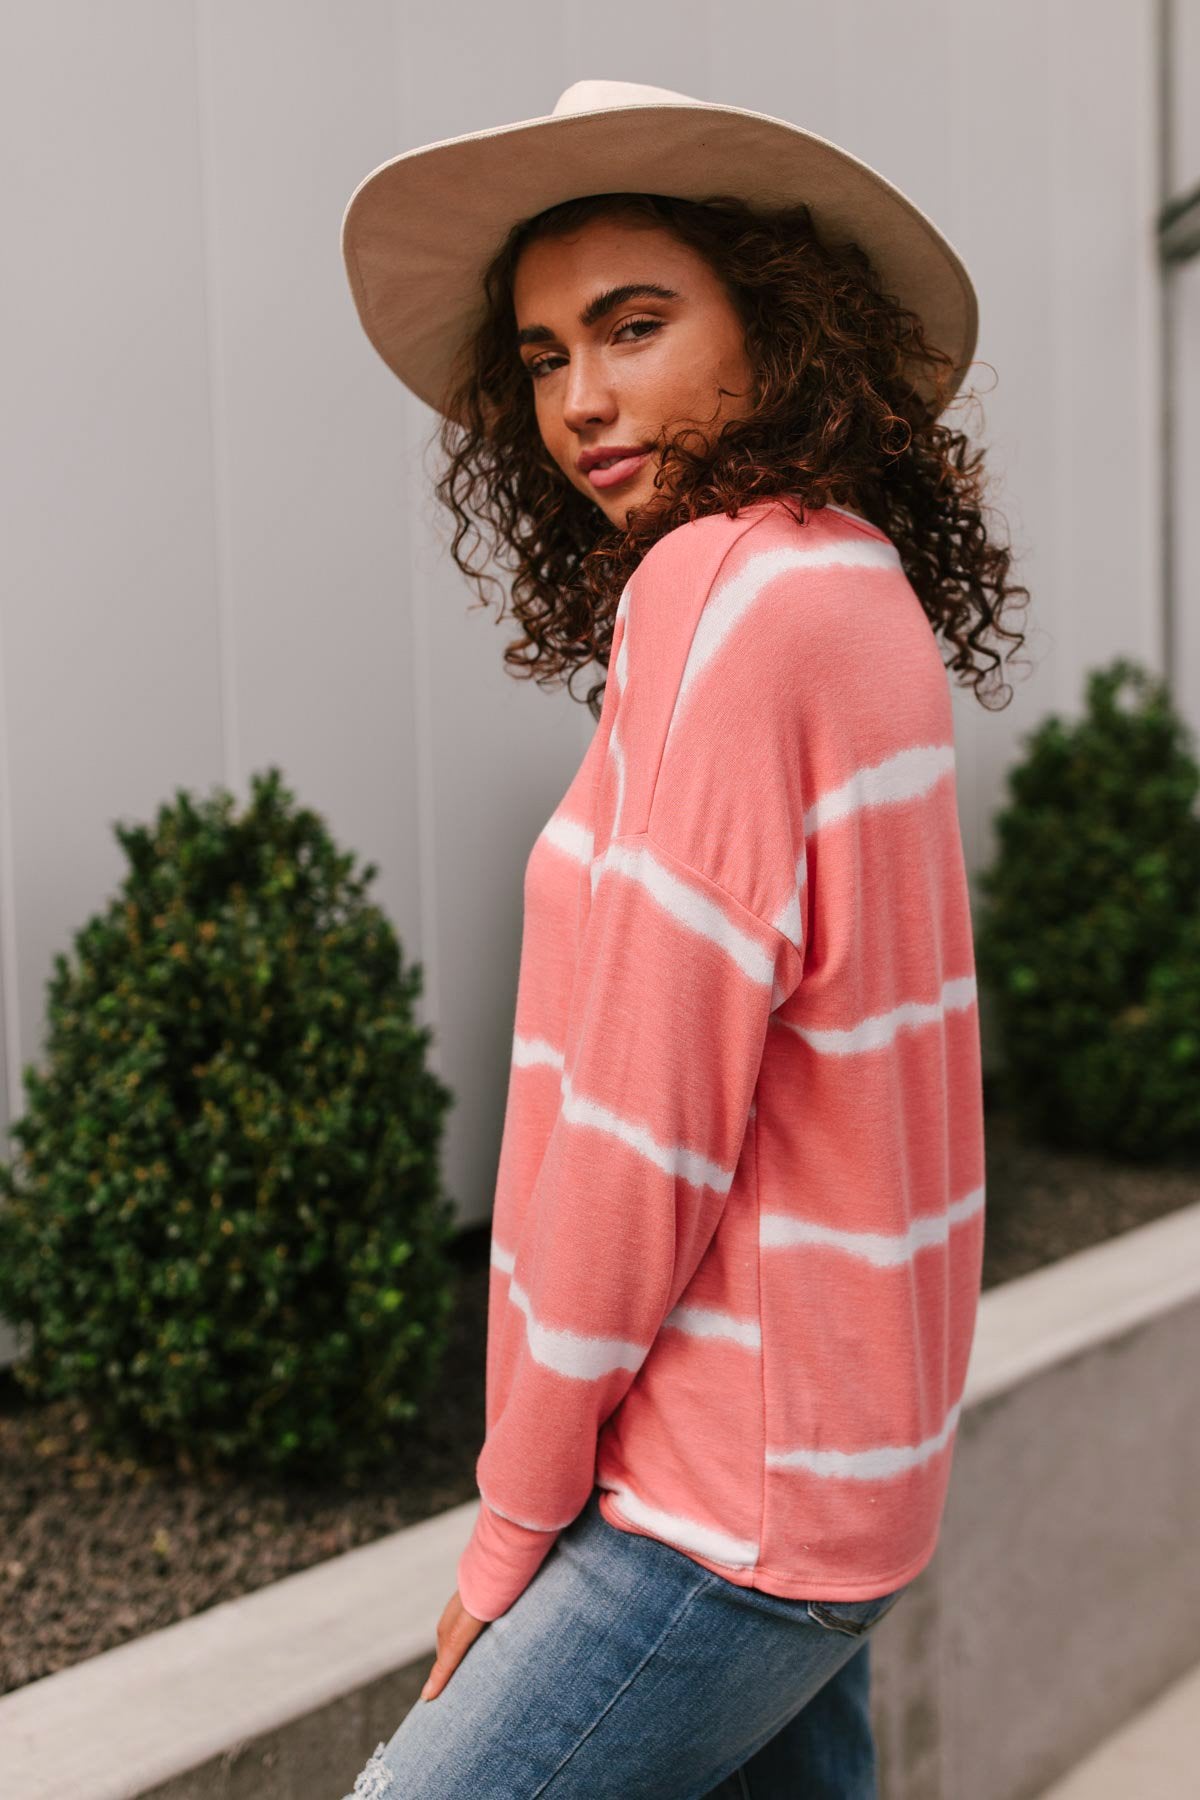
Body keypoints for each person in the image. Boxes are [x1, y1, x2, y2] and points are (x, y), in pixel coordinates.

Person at [338, 78, 1028, 1800]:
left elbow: (643, 1131)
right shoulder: (847, 582)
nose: (582, 400)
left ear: (775, 325)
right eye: (547, 355)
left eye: (633, 328)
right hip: (833, 1472)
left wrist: (511, 1523)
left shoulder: (718, 598)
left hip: (713, 1503)